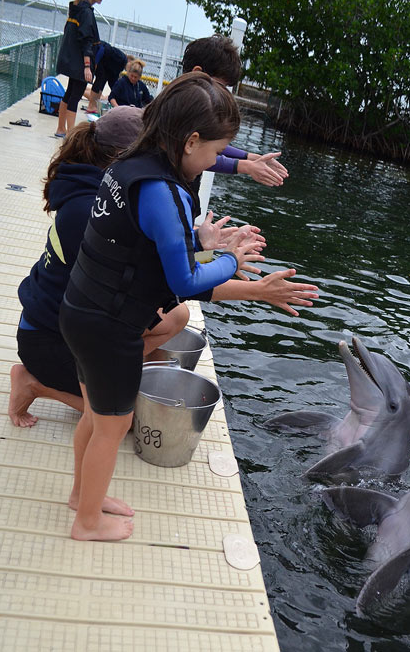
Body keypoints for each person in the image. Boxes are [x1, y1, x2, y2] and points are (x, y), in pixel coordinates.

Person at [56, 71, 284, 541]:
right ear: (190, 141)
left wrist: (229, 184)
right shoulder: (165, 193)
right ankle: (87, 522)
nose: (216, 162)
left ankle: (84, 496)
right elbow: (184, 279)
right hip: (110, 327)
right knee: (113, 426)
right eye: (216, 153)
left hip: (79, 307)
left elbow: (150, 242)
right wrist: (229, 258)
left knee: (96, 417)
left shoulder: (132, 159)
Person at [9, 107, 190, 428]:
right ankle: (33, 383)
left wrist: (200, 248)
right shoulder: (91, 210)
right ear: (123, 159)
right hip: (49, 339)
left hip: (69, 321)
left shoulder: (102, 191)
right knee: (130, 418)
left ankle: (111, 370)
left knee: (178, 315)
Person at [182, 35, 289, 189]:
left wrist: (250, 157)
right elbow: (200, 154)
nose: (223, 94)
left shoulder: (191, 109)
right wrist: (245, 166)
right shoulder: (177, 113)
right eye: (220, 86)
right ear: (197, 73)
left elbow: (207, 146)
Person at [55, 0, 110, 137]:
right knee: (75, 96)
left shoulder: (76, 7)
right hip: (80, 61)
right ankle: (71, 135)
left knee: (69, 93)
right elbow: (86, 40)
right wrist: (87, 65)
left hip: (71, 58)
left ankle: (61, 129)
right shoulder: (86, 12)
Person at [85, 43, 131, 114]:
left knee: (101, 82)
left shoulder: (118, 65)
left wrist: (118, 92)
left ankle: (92, 105)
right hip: (99, 58)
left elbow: (112, 80)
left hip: (104, 64)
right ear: (129, 61)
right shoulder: (122, 58)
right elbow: (102, 48)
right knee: (100, 81)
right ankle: (91, 106)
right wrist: (96, 63)